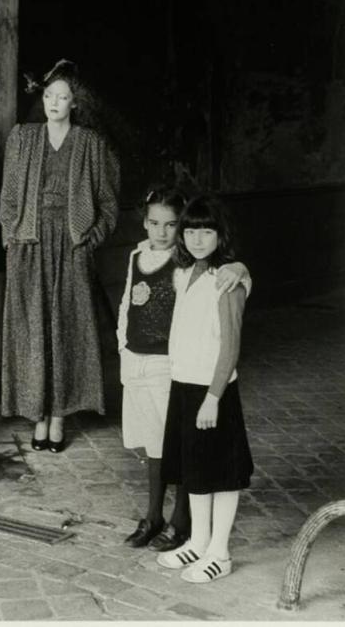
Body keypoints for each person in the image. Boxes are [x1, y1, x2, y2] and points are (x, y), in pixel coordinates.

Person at [118, 186, 251, 551]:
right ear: (145, 222)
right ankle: (166, 521)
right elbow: (127, 305)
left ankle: (190, 529)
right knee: (163, 448)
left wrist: (240, 269)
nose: (163, 232)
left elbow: (235, 287)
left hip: (185, 374)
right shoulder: (150, 260)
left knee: (192, 454)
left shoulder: (201, 271)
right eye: (155, 223)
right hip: (153, 367)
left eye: (173, 225)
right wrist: (122, 349)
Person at [0, 59, 120, 452]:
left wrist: (90, 239)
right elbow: (9, 196)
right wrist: (11, 238)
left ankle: (59, 415)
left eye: (63, 97)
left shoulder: (89, 144)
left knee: (66, 330)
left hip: (70, 246)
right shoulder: (23, 138)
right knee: (34, 330)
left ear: (75, 103)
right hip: (30, 244)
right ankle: (36, 413)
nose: (54, 102)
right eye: (49, 95)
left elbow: (107, 202)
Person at [157, 194, 253, 583]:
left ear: (220, 234)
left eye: (207, 231)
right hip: (184, 386)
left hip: (213, 391)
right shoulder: (184, 273)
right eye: (191, 231)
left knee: (222, 472)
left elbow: (230, 345)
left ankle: (220, 552)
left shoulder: (227, 278)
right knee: (195, 469)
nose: (198, 239)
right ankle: (197, 541)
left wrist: (214, 397)